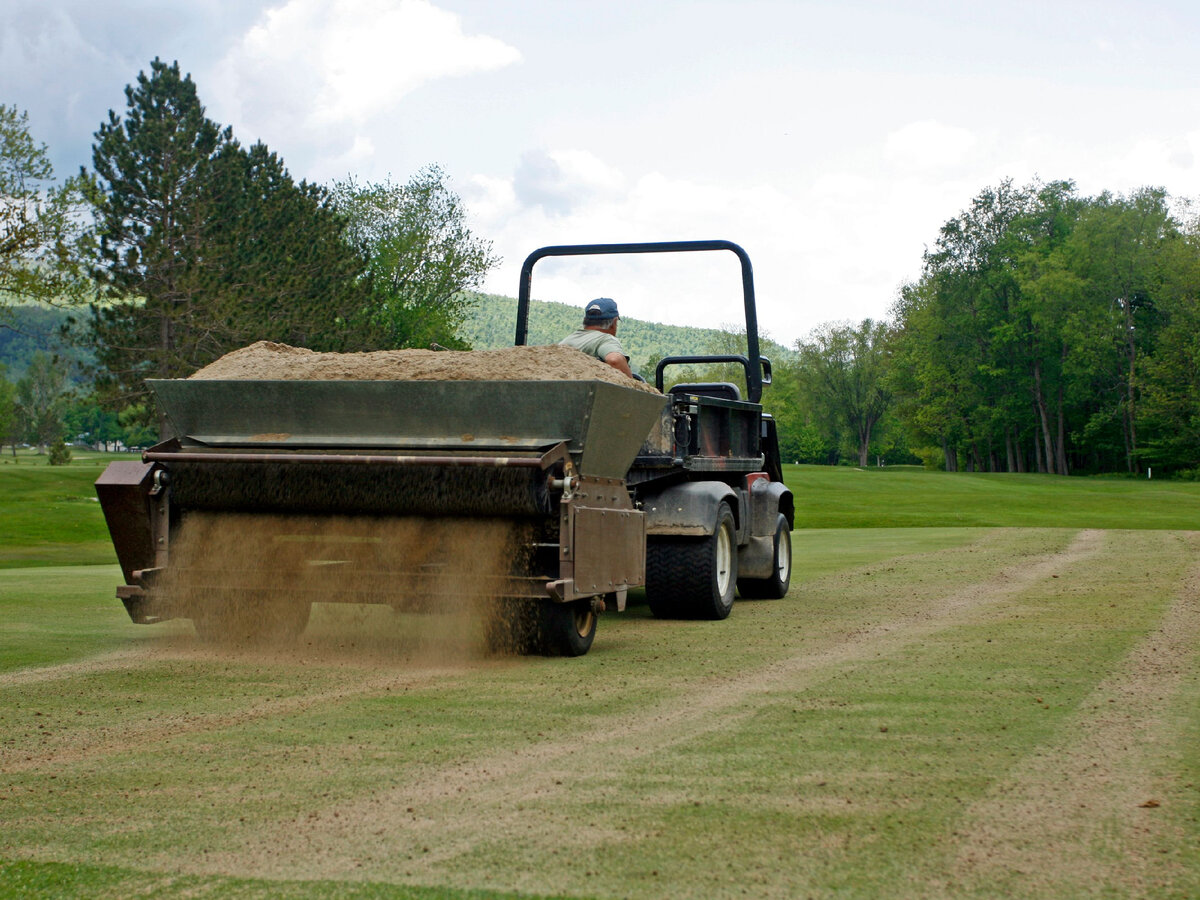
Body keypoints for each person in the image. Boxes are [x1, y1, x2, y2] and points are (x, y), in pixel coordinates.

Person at [558, 297, 633, 377]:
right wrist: (633, 385)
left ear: (585, 320)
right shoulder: (605, 339)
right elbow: (614, 360)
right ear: (614, 322)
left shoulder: (566, 340)